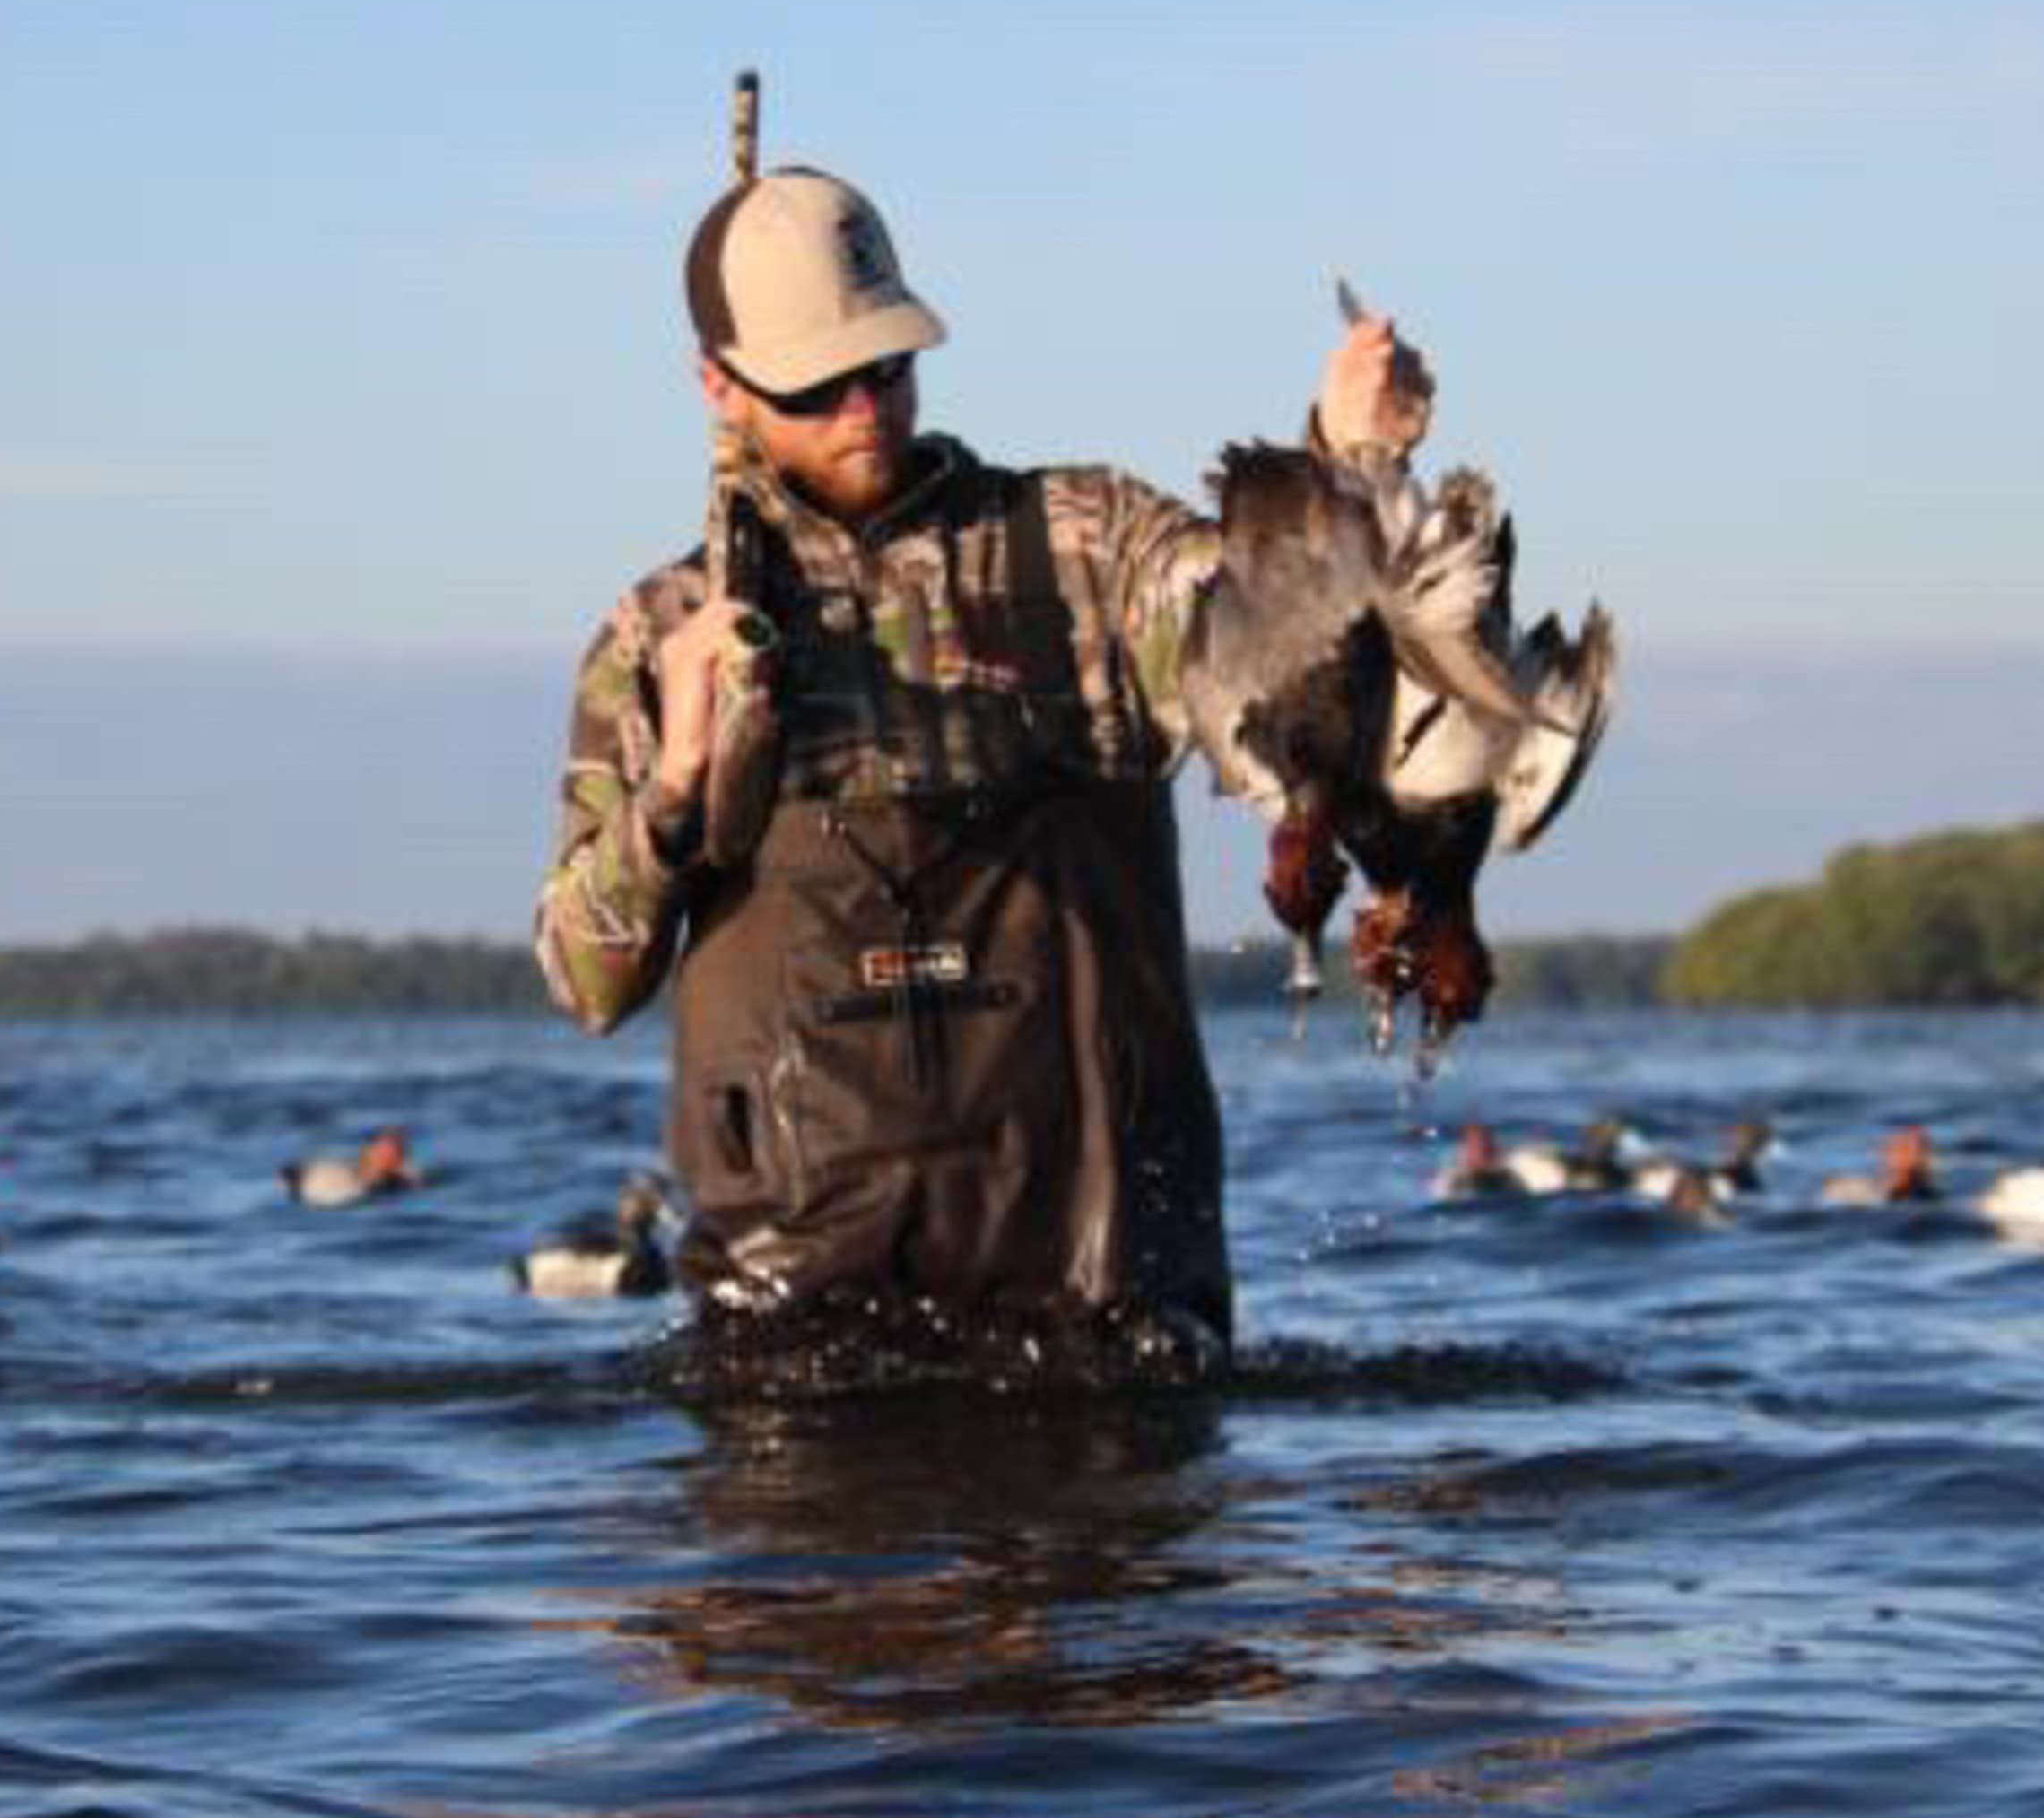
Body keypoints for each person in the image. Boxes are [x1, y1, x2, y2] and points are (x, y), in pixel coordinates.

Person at [534, 152, 1431, 1359]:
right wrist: (679, 780)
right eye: (819, 383)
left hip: (1110, 1315)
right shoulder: (659, 633)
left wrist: (1344, 467)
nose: (866, 405)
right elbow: (587, 986)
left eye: (888, 366)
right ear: (718, 386)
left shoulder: (1087, 547)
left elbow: (1275, 661)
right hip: (793, 1349)